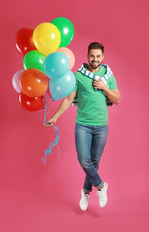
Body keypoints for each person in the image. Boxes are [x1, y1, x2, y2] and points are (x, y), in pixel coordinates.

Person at [44, 42, 121, 211]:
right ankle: (101, 186)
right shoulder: (78, 76)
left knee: (94, 161)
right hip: (83, 125)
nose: (95, 59)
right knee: (84, 159)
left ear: (103, 57)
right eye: (92, 56)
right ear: (87, 56)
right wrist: (54, 117)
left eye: (98, 56)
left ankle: (85, 192)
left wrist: (103, 87)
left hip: (101, 125)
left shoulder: (108, 75)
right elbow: (68, 99)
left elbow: (117, 99)